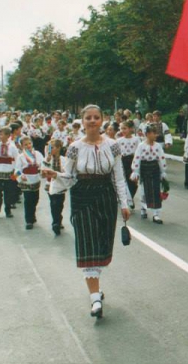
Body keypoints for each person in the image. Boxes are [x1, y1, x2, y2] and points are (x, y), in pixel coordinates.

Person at [46, 104, 130, 319]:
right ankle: (94, 298)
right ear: (82, 122)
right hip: (82, 196)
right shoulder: (74, 147)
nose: (92, 121)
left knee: (101, 245)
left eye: (96, 117)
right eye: (88, 118)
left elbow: (118, 176)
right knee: (87, 244)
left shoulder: (113, 146)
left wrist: (124, 203)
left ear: (102, 120)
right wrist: (54, 174)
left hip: (105, 196)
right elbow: (69, 177)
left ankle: (96, 289)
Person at [131, 125, 168, 224]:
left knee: (156, 190)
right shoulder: (141, 146)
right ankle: (143, 208)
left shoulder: (158, 146)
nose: (156, 135)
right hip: (145, 169)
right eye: (153, 133)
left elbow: (161, 158)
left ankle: (156, 214)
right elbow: (137, 158)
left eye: (156, 133)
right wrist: (136, 171)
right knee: (144, 190)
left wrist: (163, 171)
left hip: (154, 169)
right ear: (147, 134)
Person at [15, 136, 44, 229]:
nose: (28, 146)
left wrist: (41, 168)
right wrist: (20, 176)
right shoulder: (20, 157)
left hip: (35, 179)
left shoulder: (38, 154)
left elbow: (43, 164)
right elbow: (16, 170)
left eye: (29, 143)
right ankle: (29, 220)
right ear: (22, 146)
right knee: (28, 200)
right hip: (26, 180)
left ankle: (32, 214)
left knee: (35, 199)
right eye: (25, 144)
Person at [42, 139, 68, 236]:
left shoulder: (64, 159)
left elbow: (66, 171)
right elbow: (43, 169)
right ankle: (55, 223)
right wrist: (47, 160)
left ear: (58, 148)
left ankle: (58, 220)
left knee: (59, 204)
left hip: (60, 184)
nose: (50, 150)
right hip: (50, 184)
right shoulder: (47, 159)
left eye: (52, 148)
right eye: (49, 148)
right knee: (54, 203)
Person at [117, 121, 141, 208]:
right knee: (124, 181)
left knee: (133, 182)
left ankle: (130, 198)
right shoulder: (119, 140)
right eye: (121, 128)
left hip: (133, 161)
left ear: (130, 129)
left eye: (125, 128)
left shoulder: (136, 139)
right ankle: (126, 200)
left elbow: (139, 152)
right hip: (122, 161)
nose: (123, 130)